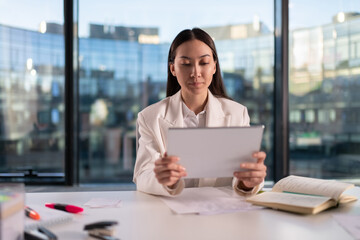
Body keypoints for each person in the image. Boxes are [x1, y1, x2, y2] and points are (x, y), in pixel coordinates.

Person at [133, 28, 267, 196]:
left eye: (203, 63)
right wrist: (165, 180)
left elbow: (244, 171)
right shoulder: (150, 117)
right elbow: (143, 174)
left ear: (214, 67)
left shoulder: (237, 113)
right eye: (186, 64)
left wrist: (247, 182)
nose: (195, 72)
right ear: (173, 68)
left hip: (221, 215)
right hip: (170, 215)